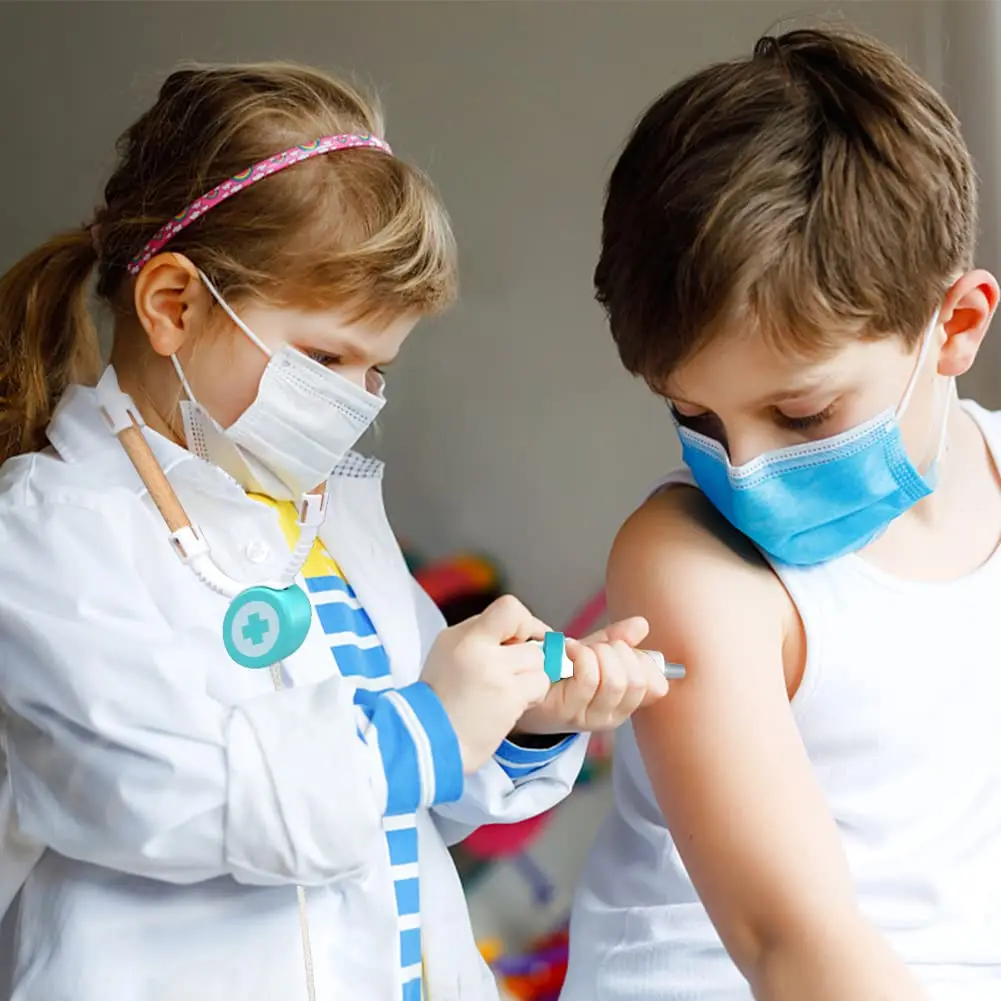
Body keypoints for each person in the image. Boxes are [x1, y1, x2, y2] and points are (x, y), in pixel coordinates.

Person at [0, 63, 670, 1001]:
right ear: (173, 306)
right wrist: (433, 720)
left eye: (375, 369)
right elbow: (167, 794)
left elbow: (412, 795)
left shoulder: (320, 515)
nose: (355, 402)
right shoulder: (48, 532)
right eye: (326, 356)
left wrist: (519, 717)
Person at [563, 27, 1001, 1001]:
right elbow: (786, 938)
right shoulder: (688, 561)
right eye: (692, 414)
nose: (745, 468)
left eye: (801, 411)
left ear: (954, 328)